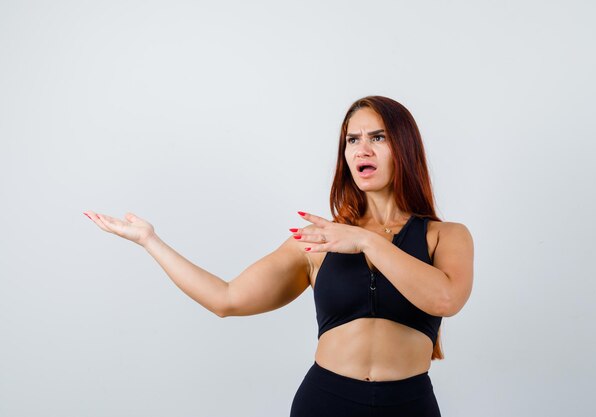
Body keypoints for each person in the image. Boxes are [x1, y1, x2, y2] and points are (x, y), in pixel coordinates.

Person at [84, 95, 474, 416]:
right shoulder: (321, 241)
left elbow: (446, 298)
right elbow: (227, 299)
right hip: (326, 402)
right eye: (352, 140)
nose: (362, 149)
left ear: (403, 147)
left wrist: (367, 241)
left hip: (409, 406)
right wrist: (151, 241)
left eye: (377, 137)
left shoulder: (446, 237)